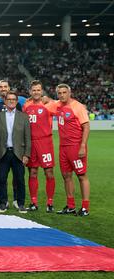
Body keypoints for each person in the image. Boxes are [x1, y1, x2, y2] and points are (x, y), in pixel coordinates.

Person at [0, 91, 31, 213]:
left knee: (20, 180)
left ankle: (20, 203)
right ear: (5, 101)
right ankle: (3, 203)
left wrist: (26, 154)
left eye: (13, 99)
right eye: (9, 99)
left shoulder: (23, 117)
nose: (11, 101)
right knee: (2, 180)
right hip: (3, 153)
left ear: (16, 101)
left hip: (18, 153)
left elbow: (28, 138)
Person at [53, 84, 91, 216]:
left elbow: (86, 127)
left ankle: (85, 207)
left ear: (69, 93)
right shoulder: (57, 105)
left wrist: (82, 146)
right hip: (63, 147)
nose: (62, 95)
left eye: (64, 92)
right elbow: (45, 102)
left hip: (76, 146)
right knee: (66, 176)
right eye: (59, 93)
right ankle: (70, 206)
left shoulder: (78, 107)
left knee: (81, 176)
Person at [23, 80, 57, 211]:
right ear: (30, 92)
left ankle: (50, 203)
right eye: (34, 90)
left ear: (42, 91)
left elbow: (62, 107)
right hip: (31, 143)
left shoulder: (49, 104)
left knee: (49, 172)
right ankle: (33, 202)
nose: (36, 92)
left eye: (38, 90)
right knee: (32, 172)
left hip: (45, 142)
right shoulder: (26, 105)